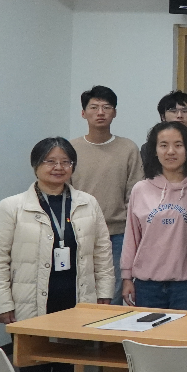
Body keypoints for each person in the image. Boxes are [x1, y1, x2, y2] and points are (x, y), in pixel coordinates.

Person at [0, 138, 113, 372]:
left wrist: (104, 295)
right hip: (30, 305)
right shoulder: (12, 207)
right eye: (50, 161)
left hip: (76, 304)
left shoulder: (88, 203)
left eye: (66, 161)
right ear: (35, 165)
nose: (58, 167)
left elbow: (102, 252)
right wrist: (1, 303)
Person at [69, 85, 143, 304]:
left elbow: (135, 194)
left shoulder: (128, 148)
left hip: (118, 234)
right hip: (80, 231)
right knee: (79, 290)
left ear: (115, 112)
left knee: (112, 293)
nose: (100, 112)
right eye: (94, 107)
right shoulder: (71, 149)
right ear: (83, 113)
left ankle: (109, 329)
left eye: (106, 107)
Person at [120, 122, 187, 310]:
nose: (170, 151)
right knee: (148, 330)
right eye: (163, 145)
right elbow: (132, 237)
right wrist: (126, 277)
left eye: (178, 145)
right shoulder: (141, 189)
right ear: (155, 151)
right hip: (147, 285)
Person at [142, 91, 187, 171]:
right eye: (173, 111)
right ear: (163, 117)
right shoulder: (148, 148)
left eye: (185, 111)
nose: (179, 115)